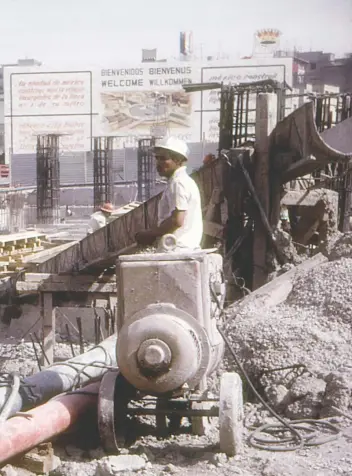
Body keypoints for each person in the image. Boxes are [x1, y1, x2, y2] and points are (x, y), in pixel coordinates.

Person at [135, 137, 203, 251]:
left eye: (163, 159)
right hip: (181, 247)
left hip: (178, 248)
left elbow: (177, 221)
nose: (158, 163)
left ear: (177, 160)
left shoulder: (178, 183)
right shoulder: (180, 182)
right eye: (157, 158)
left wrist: (150, 234)